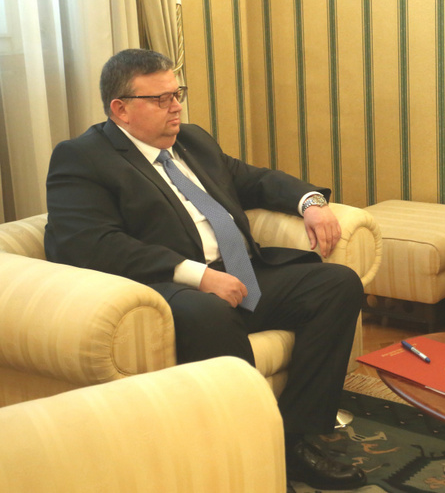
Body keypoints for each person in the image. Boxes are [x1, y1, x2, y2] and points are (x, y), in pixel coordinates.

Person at [44, 48, 366, 490]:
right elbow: (90, 243)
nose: (175, 107)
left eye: (177, 94)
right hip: (169, 287)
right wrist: (197, 275)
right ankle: (245, 455)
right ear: (120, 109)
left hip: (240, 272)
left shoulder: (191, 141)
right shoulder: (82, 158)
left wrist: (310, 201)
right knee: (208, 311)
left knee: (337, 284)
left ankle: (294, 438)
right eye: (160, 99)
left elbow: (253, 180)